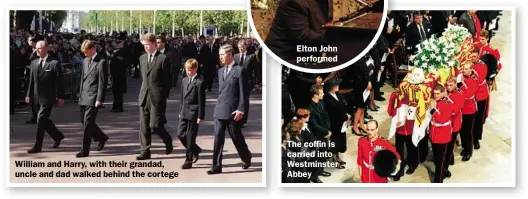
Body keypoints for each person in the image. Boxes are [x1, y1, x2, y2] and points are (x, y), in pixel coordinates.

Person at [208, 44, 251, 175]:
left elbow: (244, 93)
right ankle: (216, 166)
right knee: (218, 138)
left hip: (233, 111)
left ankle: (246, 157)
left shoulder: (239, 70)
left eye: (222, 54)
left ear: (230, 55)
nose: (219, 57)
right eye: (219, 54)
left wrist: (241, 110)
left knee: (236, 137)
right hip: (220, 109)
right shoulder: (220, 71)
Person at [136, 33, 174, 160]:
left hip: (157, 97)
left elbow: (168, 80)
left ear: (154, 44)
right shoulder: (142, 58)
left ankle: (167, 139)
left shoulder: (163, 58)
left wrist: (164, 96)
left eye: (148, 44)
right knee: (144, 125)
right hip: (144, 95)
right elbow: (143, 77)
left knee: (155, 125)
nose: (146, 47)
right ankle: (145, 151)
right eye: (144, 45)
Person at [25, 41, 65, 153]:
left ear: (46, 49)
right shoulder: (34, 62)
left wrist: (61, 96)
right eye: (36, 48)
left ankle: (38, 146)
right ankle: (57, 136)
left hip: (48, 97)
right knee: (44, 120)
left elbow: (59, 82)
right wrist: (28, 94)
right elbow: (31, 81)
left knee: (41, 120)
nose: (37, 50)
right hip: (36, 96)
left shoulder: (54, 63)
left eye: (39, 48)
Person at [265, 0, 331, 64]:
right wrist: (334, 40)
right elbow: (303, 35)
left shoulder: (324, 2)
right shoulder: (293, 2)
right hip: (282, 60)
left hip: (303, 58)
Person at [77, 40, 109, 158]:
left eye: (86, 52)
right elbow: (82, 79)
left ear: (92, 49)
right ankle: (101, 137)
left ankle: (85, 150)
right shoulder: (85, 61)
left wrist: (100, 99)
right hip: (84, 95)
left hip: (93, 96)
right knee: (83, 120)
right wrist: (80, 94)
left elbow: (102, 82)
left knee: (88, 123)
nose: (85, 55)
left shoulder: (101, 62)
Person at [178, 59, 205, 169]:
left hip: (194, 113)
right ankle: (196, 149)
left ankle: (188, 160)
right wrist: (180, 111)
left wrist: (200, 116)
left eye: (190, 70)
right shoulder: (184, 80)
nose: (188, 72)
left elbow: (201, 101)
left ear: (195, 69)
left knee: (190, 137)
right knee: (180, 134)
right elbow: (182, 98)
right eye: (186, 70)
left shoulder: (199, 82)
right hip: (184, 111)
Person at [429, 84, 455, 183]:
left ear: (443, 93)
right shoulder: (433, 101)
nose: (436, 96)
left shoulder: (448, 103)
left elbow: (442, 119)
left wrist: (432, 110)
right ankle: (443, 171)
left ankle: (438, 181)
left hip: (443, 135)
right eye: (434, 93)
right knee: (436, 158)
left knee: (440, 161)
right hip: (434, 134)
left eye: (438, 94)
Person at [323, 78, 349, 168]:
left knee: (341, 141)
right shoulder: (327, 98)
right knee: (335, 142)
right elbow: (334, 113)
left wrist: (347, 114)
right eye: (336, 85)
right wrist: (345, 117)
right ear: (331, 87)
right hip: (334, 124)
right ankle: (334, 160)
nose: (338, 86)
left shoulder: (338, 94)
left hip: (341, 124)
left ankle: (337, 157)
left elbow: (343, 105)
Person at [458, 61, 479, 161]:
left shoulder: (474, 80)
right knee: (462, 130)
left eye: (466, 69)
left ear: (471, 69)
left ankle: (468, 151)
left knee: (467, 131)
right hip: (461, 108)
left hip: (469, 109)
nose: (464, 70)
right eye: (463, 68)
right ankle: (464, 147)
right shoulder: (461, 76)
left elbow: (467, 95)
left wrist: (460, 84)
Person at [234, 40, 258, 126]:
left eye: (242, 47)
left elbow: (256, 70)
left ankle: (243, 120)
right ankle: (237, 118)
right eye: (239, 47)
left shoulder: (251, 56)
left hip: (247, 82)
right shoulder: (235, 56)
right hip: (236, 82)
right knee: (237, 99)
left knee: (244, 100)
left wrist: (257, 82)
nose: (240, 49)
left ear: (246, 47)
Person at [445, 77, 464, 178]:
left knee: (449, 146)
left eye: (451, 85)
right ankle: (450, 160)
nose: (448, 87)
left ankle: (446, 167)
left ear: (456, 84)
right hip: (445, 123)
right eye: (447, 85)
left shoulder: (460, 94)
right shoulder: (445, 92)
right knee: (446, 146)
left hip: (454, 124)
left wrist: (445, 100)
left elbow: (455, 110)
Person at [470, 48, 489, 150]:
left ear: (478, 56)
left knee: (478, 118)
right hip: (471, 97)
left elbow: (478, 80)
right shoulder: (469, 64)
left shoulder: (482, 66)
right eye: (471, 56)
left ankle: (476, 139)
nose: (473, 58)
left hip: (480, 96)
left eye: (475, 56)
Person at [109, 41, 128, 112]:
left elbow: (120, 64)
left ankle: (118, 107)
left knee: (118, 92)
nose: (117, 44)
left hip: (119, 76)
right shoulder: (117, 52)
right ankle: (115, 106)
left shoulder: (121, 52)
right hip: (116, 75)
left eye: (119, 43)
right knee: (116, 92)